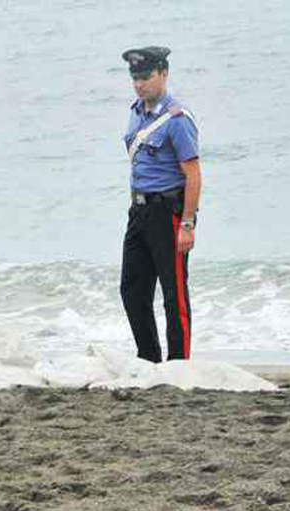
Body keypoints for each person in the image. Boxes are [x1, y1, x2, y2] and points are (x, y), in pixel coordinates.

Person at [119, 46, 201, 363]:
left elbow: (193, 174)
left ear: (163, 74)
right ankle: (149, 358)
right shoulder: (136, 112)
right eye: (135, 78)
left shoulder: (177, 119)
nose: (140, 84)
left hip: (169, 212)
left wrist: (188, 223)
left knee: (173, 294)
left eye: (146, 76)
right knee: (132, 290)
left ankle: (179, 363)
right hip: (139, 210)